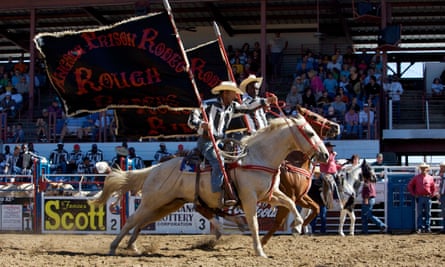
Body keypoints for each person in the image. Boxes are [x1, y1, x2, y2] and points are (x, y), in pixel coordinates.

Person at [187, 81, 277, 207]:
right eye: (233, 93)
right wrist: (201, 124)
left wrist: (266, 101)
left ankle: (236, 190)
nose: (235, 96)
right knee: (218, 162)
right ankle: (217, 195)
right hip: (207, 141)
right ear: (225, 93)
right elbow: (192, 119)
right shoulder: (208, 104)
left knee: (237, 161)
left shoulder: (232, 106)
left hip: (221, 142)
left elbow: (248, 107)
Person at [407, 162, 436, 233]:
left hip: (427, 197)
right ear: (420, 169)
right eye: (422, 168)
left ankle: (427, 227)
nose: (423, 169)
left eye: (425, 168)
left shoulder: (430, 178)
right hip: (420, 197)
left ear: (427, 169)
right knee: (420, 213)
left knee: (428, 213)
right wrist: (414, 194)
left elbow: (433, 188)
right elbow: (409, 186)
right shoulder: (416, 178)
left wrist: (432, 194)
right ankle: (420, 227)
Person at [361, 169, 387, 234]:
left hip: (368, 199)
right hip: (371, 198)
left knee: (367, 214)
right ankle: (365, 230)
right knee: (365, 215)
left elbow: (367, 191)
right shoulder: (371, 181)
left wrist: (366, 199)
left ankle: (381, 225)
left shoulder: (367, 182)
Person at [308, 166, 327, 234]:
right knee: (318, 217)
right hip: (318, 202)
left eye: (317, 173)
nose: (317, 174)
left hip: (318, 202)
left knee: (321, 217)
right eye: (316, 173)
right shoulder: (321, 181)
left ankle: (318, 230)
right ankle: (317, 230)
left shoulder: (313, 182)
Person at [438, 161, 445, 234]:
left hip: (443, 195)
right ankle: (443, 228)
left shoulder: (441, 176)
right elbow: (440, 186)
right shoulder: (441, 176)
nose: (441, 168)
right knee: (443, 212)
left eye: (442, 167)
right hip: (442, 196)